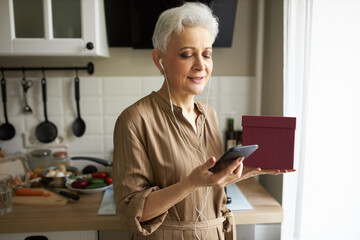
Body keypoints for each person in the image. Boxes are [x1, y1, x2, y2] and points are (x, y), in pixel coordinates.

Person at [113, 3, 291, 239]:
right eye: (187, 54)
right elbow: (131, 211)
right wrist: (190, 183)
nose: (201, 65)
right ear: (160, 60)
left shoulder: (209, 114)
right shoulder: (134, 120)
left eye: (206, 54)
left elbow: (211, 185)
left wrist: (241, 172)